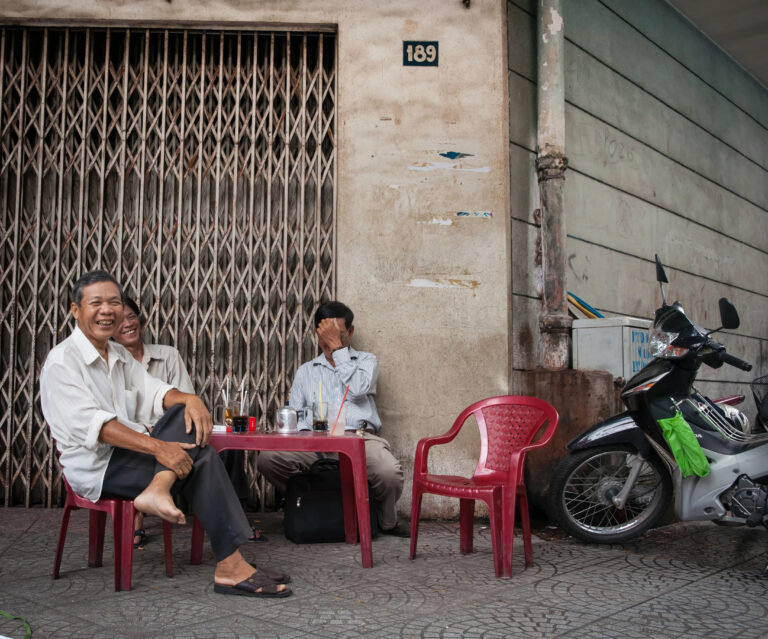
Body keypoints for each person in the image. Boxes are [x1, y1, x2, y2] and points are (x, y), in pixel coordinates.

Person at [40, 270, 290, 597]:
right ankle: (231, 565)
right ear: (76, 310)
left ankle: (162, 489)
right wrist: (160, 448)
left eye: (114, 302)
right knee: (202, 458)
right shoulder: (62, 362)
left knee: (180, 415)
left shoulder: (117, 355)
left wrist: (191, 399)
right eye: (96, 303)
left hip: (130, 454)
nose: (107, 310)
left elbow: (156, 391)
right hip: (97, 468)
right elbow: (99, 428)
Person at [259, 301, 409, 537]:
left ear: (350, 332)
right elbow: (296, 415)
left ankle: (387, 521)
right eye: (325, 336)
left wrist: (339, 351)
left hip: (359, 440)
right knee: (268, 459)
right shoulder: (306, 371)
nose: (329, 342)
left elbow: (359, 389)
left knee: (388, 471)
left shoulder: (366, 361)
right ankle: (311, 505)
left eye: (337, 335)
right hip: (316, 442)